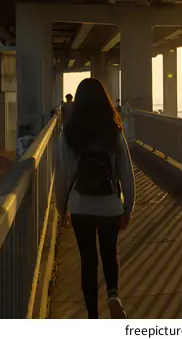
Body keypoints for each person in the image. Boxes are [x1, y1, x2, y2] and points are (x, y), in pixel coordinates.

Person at [56, 78, 135, 319]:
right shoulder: (114, 131)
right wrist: (127, 207)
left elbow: (62, 175)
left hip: (81, 207)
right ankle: (113, 294)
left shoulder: (68, 133)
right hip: (110, 206)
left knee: (88, 260)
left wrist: (62, 209)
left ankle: (93, 317)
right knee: (109, 253)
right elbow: (126, 172)